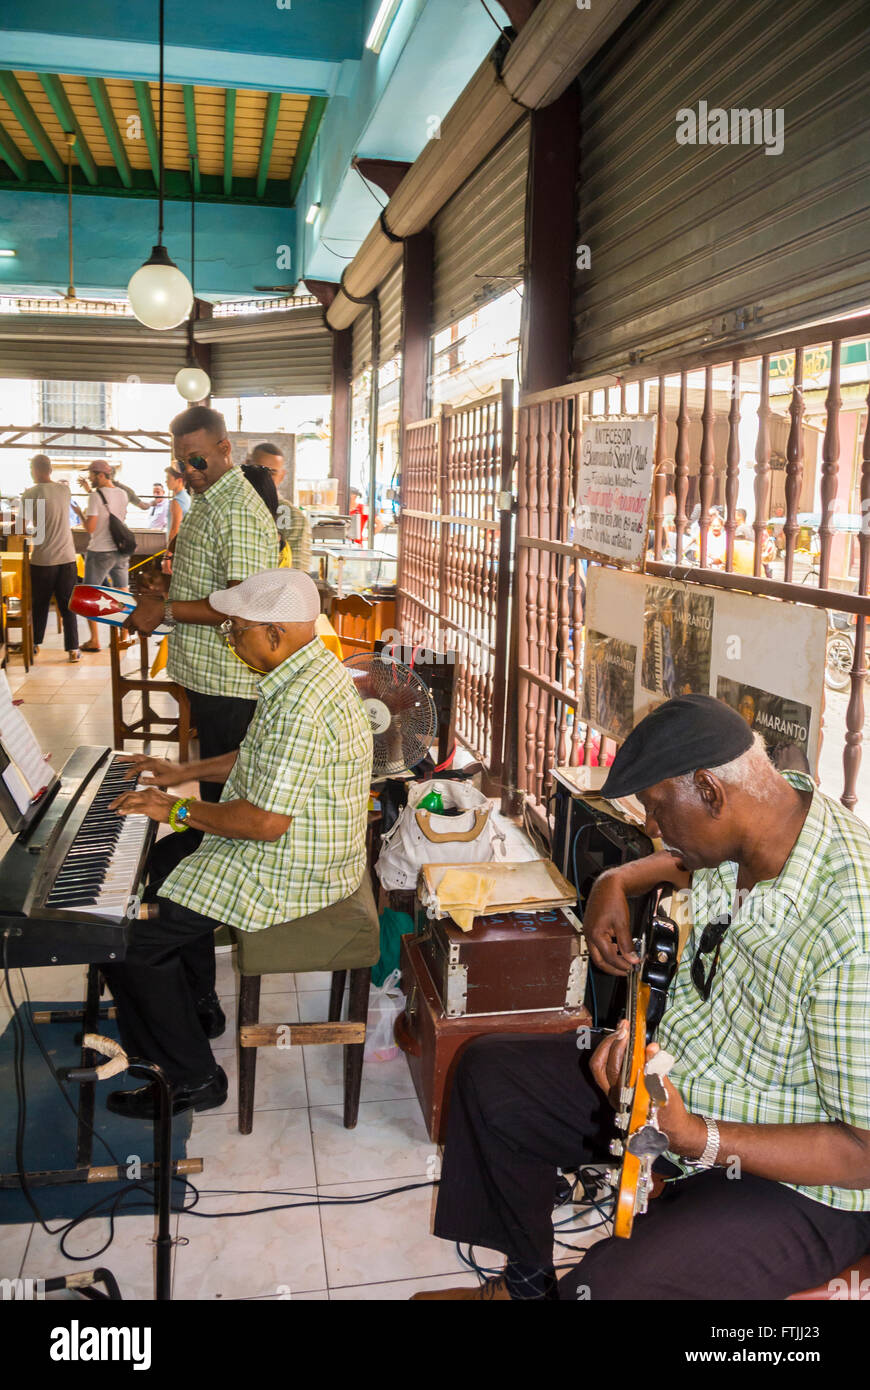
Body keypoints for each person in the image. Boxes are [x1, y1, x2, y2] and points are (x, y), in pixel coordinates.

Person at [415, 694, 870, 1300]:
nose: (651, 828)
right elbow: (685, 862)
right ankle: (525, 1284)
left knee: (611, 1288)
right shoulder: (763, 816)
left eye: (657, 810)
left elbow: (861, 1152)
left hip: (802, 1183)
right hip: (681, 1093)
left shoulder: (851, 925)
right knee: (491, 1075)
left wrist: (695, 1136)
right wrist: (616, 879)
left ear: (709, 791)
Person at [103, 567, 373, 1119]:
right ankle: (197, 1005)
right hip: (293, 847)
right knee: (161, 861)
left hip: (292, 866)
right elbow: (250, 757)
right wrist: (180, 772)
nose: (230, 639)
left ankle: (192, 1079)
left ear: (274, 632)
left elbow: (264, 823)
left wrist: (174, 807)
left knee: (128, 938)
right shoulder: (304, 673)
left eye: (236, 630)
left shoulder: (301, 703)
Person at [126, 405, 279, 804]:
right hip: (209, 677)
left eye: (198, 459)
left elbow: (241, 605)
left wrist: (166, 610)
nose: (189, 469)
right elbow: (212, 582)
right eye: (182, 461)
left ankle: (213, 856)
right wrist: (166, 586)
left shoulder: (237, 510)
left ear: (224, 447)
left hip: (229, 683)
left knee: (223, 798)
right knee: (213, 790)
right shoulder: (210, 499)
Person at [19, 454, 82, 663]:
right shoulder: (64, 490)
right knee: (68, 605)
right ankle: (73, 649)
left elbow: (21, 528)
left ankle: (34, 644)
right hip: (66, 558)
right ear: (50, 469)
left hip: (42, 559)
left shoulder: (30, 493)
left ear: (35, 470)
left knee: (40, 604)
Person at [80, 459, 130, 653]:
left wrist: (81, 513)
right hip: (120, 550)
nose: (90, 478)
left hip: (100, 551)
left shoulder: (94, 496)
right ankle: (123, 636)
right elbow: (116, 518)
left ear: (101, 475)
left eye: (92, 474)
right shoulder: (122, 494)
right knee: (122, 592)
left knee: (88, 595)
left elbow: (91, 528)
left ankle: (94, 640)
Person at [248, 442, 312, 573]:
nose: (263, 478)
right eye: (258, 470)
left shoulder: (293, 517)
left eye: (271, 473)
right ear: (247, 466)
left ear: (282, 476)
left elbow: (298, 573)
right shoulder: (235, 507)